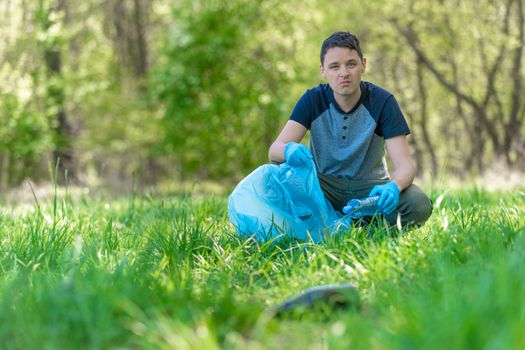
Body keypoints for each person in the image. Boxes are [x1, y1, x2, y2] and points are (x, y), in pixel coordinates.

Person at [268, 31, 432, 228]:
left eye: (351, 64)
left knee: (418, 202)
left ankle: (360, 227)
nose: (343, 73)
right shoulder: (312, 99)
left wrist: (394, 186)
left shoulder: (383, 101)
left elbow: (405, 165)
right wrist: (289, 150)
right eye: (334, 66)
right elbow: (274, 151)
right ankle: (331, 222)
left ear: (363, 64)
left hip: (370, 191)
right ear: (323, 70)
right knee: (275, 176)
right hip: (322, 188)